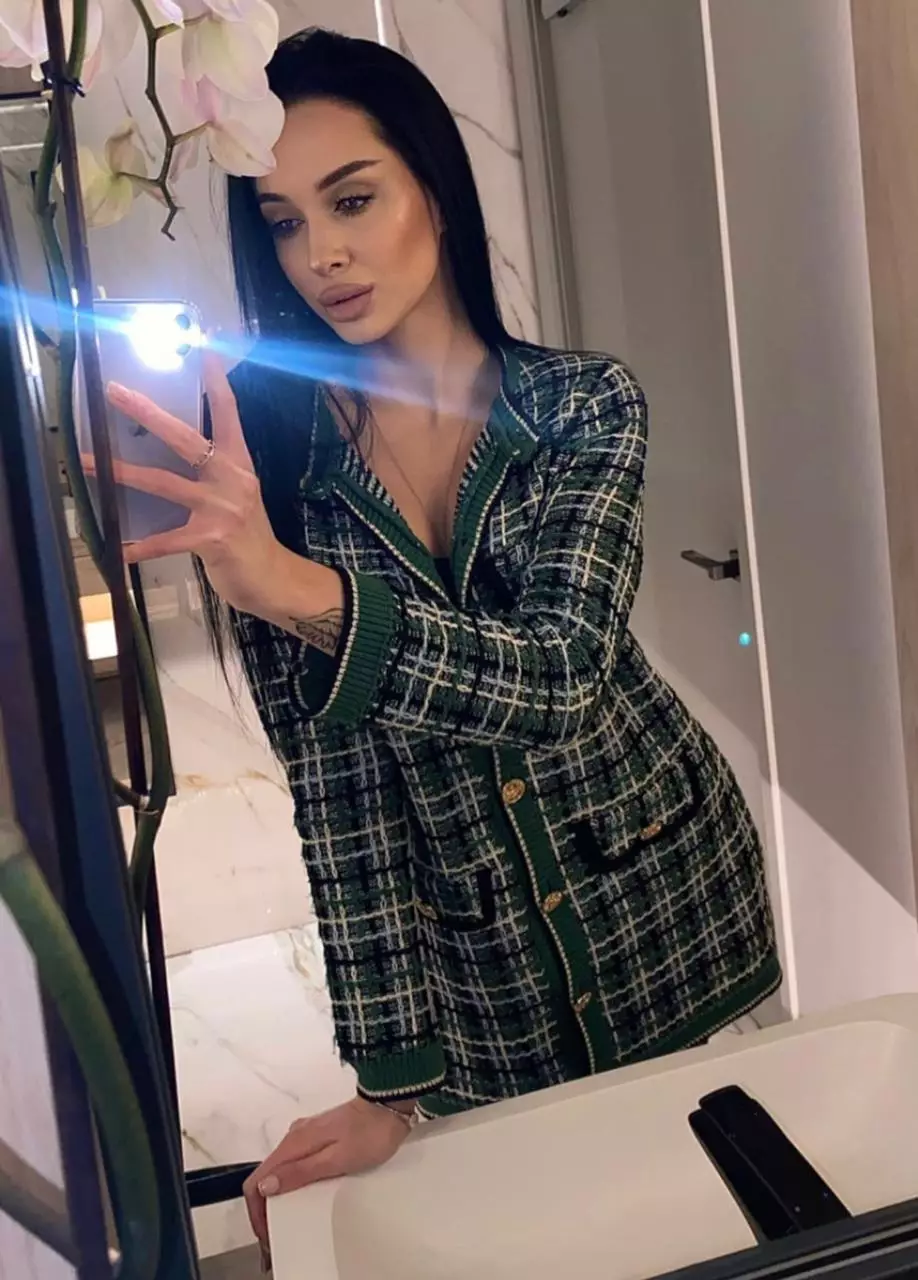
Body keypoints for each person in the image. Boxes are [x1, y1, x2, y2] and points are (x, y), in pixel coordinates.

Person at [102, 27, 780, 1256]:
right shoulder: (275, 463)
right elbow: (342, 794)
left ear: (437, 189)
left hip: (673, 901)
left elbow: (562, 676)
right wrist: (387, 1076)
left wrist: (302, 591)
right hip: (483, 972)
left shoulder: (582, 404)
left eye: (352, 199)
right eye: (284, 223)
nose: (321, 253)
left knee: (747, 1219)